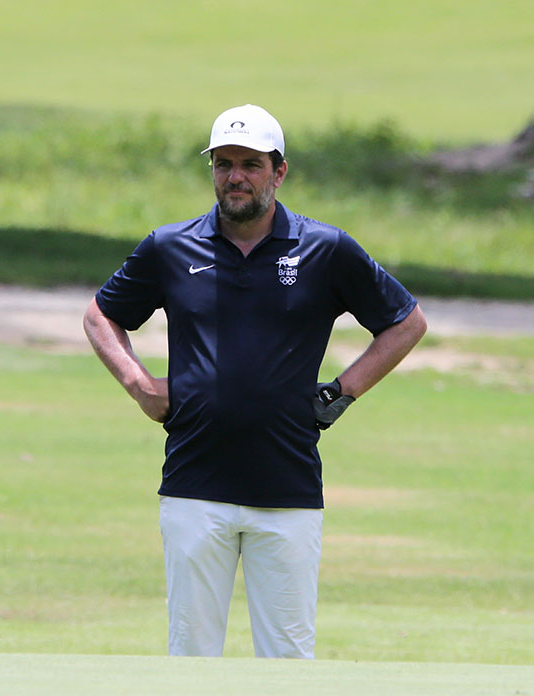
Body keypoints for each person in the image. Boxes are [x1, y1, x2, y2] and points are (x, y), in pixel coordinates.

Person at [83, 104, 427, 659]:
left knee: (287, 659)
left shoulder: (324, 248)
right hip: (194, 486)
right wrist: (140, 385)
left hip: (287, 489)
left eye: (249, 163)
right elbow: (101, 315)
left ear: (279, 170)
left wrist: (341, 393)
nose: (235, 176)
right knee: (191, 655)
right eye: (223, 164)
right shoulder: (171, 247)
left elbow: (405, 322)